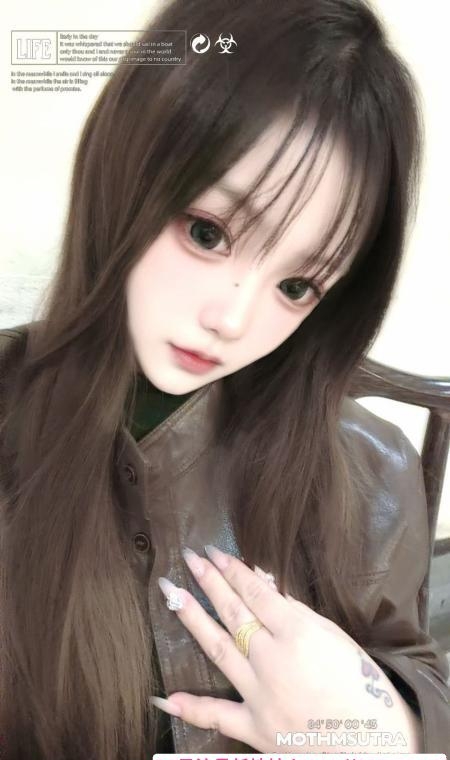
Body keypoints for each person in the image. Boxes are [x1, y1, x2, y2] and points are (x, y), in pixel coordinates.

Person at [0, 0, 449, 757]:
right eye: (208, 233)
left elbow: (416, 670)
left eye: (298, 285)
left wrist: (375, 732)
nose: (235, 319)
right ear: (127, 170)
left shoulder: (373, 468)